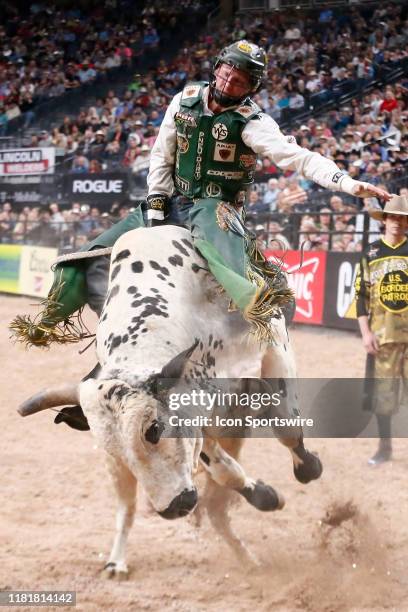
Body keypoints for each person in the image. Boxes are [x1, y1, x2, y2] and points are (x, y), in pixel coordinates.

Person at [13, 40, 391, 347]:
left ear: (252, 88)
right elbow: (162, 153)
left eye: (240, 80)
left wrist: (347, 183)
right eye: (227, 73)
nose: (229, 83)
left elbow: (299, 158)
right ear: (217, 69)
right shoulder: (184, 100)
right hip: (168, 202)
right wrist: (157, 200)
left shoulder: (253, 123)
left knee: (224, 260)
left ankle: (255, 307)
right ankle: (48, 319)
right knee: (82, 257)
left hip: (216, 206)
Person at [355, 195, 408, 465]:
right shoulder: (371, 253)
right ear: (384, 220)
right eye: (393, 217)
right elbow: (360, 297)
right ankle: (385, 447)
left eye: (402, 217)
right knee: (383, 396)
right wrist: (366, 333)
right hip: (383, 337)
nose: (397, 222)